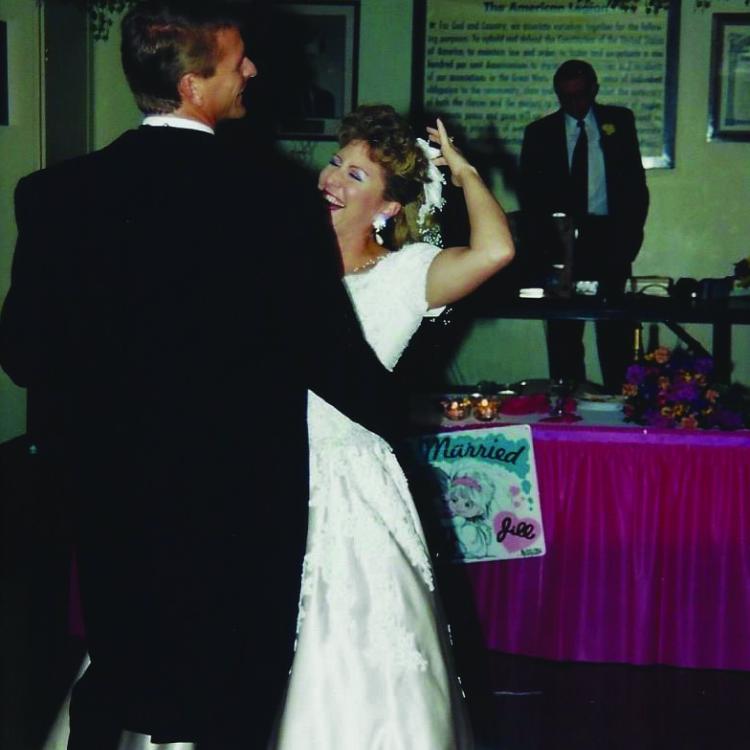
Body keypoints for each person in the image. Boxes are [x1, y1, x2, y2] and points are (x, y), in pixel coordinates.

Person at [0, 3, 399, 748]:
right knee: (234, 682)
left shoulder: (54, 193)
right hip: (239, 490)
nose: (253, 70)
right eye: (238, 60)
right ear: (192, 86)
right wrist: (411, 420)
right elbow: (328, 354)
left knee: (119, 662)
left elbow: (25, 352)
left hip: (109, 483)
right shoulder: (276, 198)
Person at [270, 104, 515, 749]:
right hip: (265, 464)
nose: (332, 181)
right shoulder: (283, 261)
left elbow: (496, 250)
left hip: (350, 473)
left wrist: (462, 171)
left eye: (355, 175)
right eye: (334, 163)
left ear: (387, 206)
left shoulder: (408, 275)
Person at [520, 59, 649, 393]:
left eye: (580, 95)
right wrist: (542, 247)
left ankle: (622, 403)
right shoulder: (539, 133)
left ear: (594, 90)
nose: (574, 105)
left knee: (614, 332)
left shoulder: (619, 122)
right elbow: (529, 196)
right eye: (566, 97)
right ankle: (568, 404)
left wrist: (629, 239)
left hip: (609, 238)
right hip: (560, 243)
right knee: (563, 331)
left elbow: (635, 186)